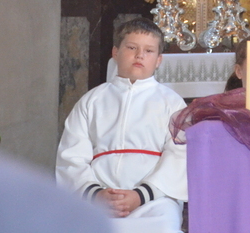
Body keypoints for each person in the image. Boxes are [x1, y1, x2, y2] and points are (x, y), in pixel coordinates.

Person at [56, 17, 187, 233]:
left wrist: (140, 195)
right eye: (132, 47)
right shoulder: (91, 101)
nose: (139, 55)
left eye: (149, 51)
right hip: (99, 199)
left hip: (154, 202)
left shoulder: (172, 103)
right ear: (115, 52)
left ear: (158, 60)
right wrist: (96, 194)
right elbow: (71, 157)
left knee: (165, 226)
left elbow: (179, 156)